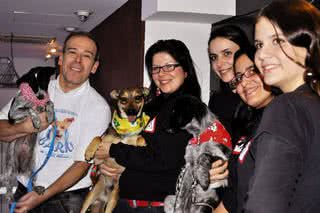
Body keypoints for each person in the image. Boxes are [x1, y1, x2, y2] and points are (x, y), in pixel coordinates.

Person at [0, 31, 111, 213]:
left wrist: (42, 195)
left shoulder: (98, 107)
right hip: (24, 189)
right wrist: (25, 127)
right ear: (60, 59)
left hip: (67, 198)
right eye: (72, 52)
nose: (77, 60)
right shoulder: (35, 91)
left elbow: (82, 164)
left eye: (86, 56)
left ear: (94, 67)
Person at [94, 39, 202, 212]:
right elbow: (132, 145)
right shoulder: (151, 107)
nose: (162, 73)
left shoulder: (187, 108)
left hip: (156, 207)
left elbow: (163, 159)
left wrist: (114, 150)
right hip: (126, 203)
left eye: (169, 66)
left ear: (185, 70)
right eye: (156, 68)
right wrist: (107, 163)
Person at [241, 1, 320, 212]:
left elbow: (264, 205)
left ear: (308, 44)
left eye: (276, 41)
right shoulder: (310, 105)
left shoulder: (288, 108)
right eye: (258, 45)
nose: (261, 55)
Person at [212, 46, 276, 213]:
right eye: (239, 78)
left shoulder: (285, 119)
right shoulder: (249, 125)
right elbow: (234, 195)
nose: (244, 83)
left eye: (252, 71)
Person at [207, 25, 252, 143]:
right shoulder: (216, 100)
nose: (219, 63)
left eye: (227, 53)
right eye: (213, 57)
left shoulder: (257, 95)